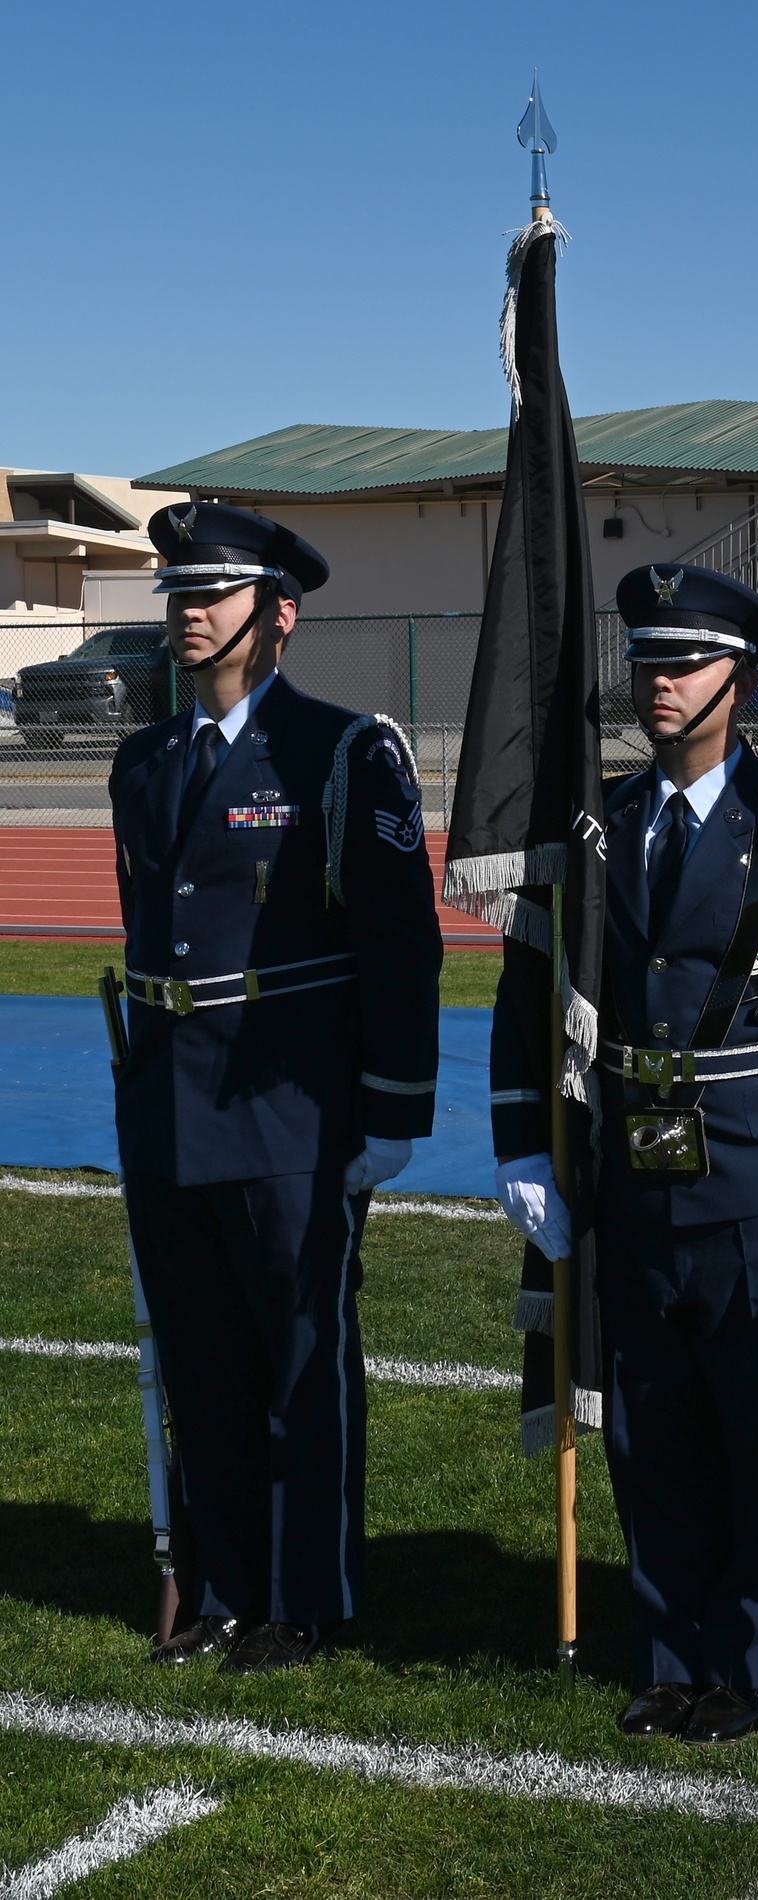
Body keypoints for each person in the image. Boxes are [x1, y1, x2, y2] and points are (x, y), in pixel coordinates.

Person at [490, 563, 758, 1745]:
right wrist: (525, 1140)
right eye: (646, 661)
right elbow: (529, 997)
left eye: (683, 662)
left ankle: (754, 1657)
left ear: (744, 677)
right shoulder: (595, 828)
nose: (658, 681)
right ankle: (671, 1648)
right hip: (629, 1173)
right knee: (650, 1424)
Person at [111, 502, 442, 1674]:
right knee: (200, 1357)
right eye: (178, 595)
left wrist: (393, 1107)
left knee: (302, 1358)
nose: (188, 612)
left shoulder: (344, 754)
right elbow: (151, 924)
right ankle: (224, 1588)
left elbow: (404, 942)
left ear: (278, 614)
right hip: (168, 1102)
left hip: (290, 1105)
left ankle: (307, 1597)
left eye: (212, 593)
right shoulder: (143, 759)